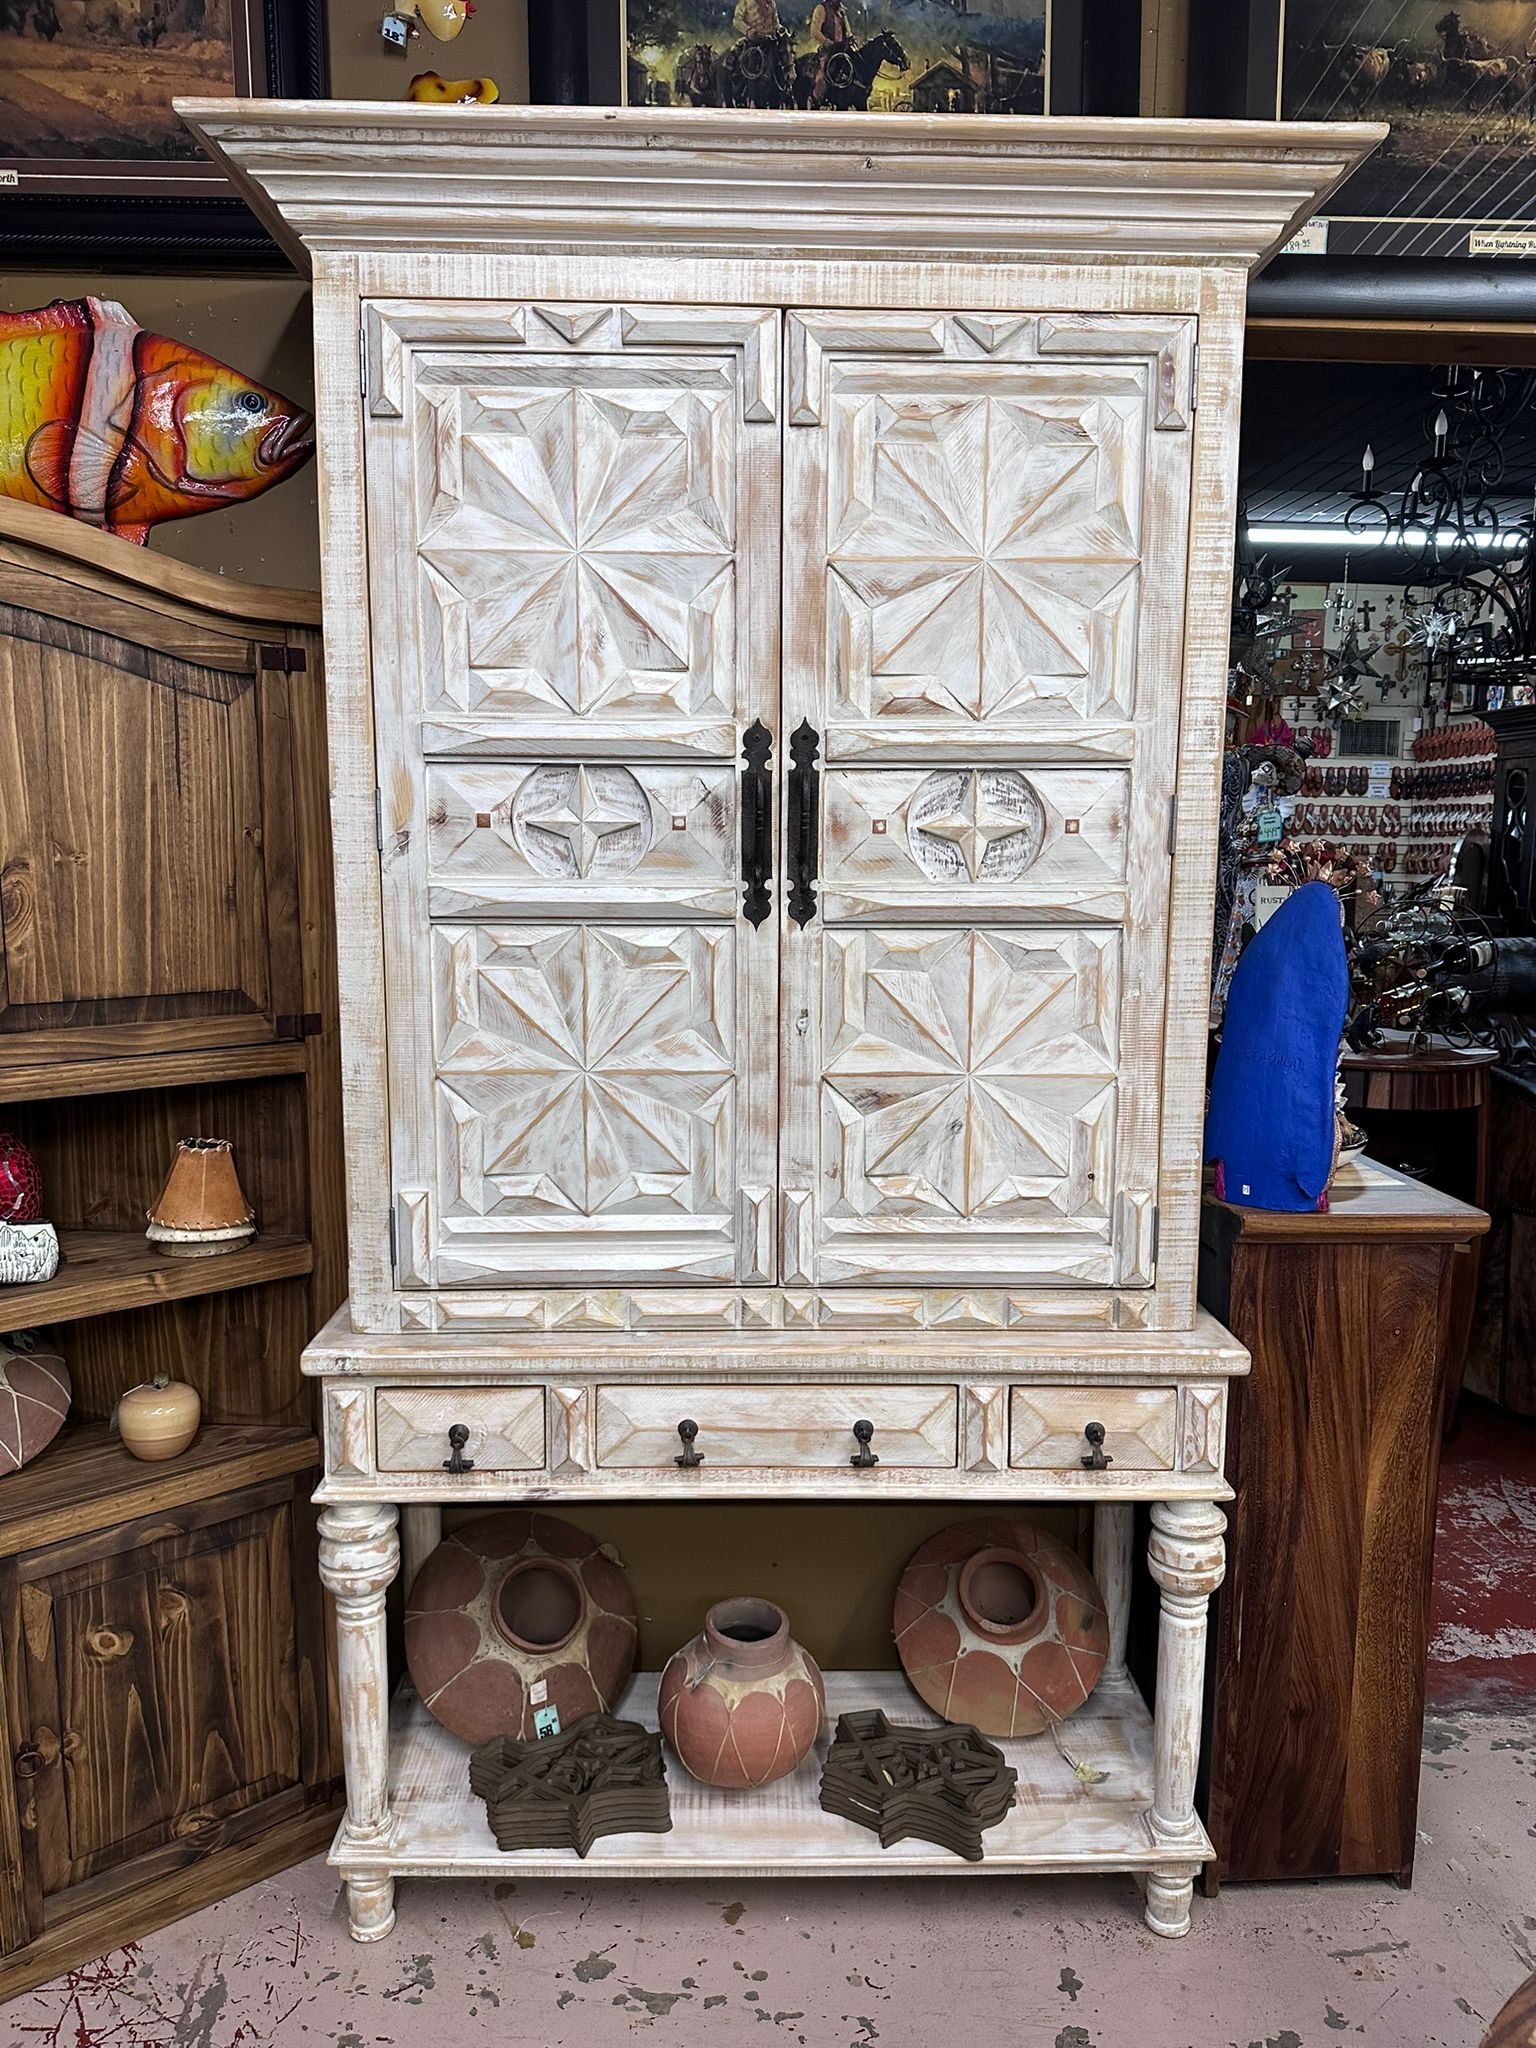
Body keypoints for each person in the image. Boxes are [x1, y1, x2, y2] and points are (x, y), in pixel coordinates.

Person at [808, 0, 854, 105]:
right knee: (821, 76)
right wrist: (827, 42)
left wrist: (850, 38)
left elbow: (847, 31)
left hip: (843, 49)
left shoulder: (841, 10)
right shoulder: (821, 8)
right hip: (828, 50)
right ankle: (816, 99)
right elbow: (815, 31)